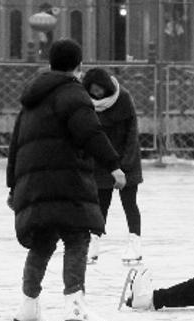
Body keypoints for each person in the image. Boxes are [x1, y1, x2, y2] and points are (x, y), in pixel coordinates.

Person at [6, 39, 126, 321]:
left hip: (34, 183)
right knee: (77, 237)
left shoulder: (30, 100)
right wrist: (114, 166)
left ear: (50, 63)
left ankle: (28, 306)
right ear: (79, 66)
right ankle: (75, 303)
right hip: (67, 180)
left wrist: (13, 186)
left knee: (43, 241)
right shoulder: (73, 94)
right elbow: (90, 133)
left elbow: (16, 145)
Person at [82, 68, 143, 264]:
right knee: (100, 204)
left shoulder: (123, 97)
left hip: (127, 159)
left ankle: (135, 243)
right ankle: (94, 243)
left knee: (129, 203)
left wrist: (124, 164)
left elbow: (132, 132)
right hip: (101, 161)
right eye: (93, 89)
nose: (97, 93)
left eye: (100, 89)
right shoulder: (86, 102)